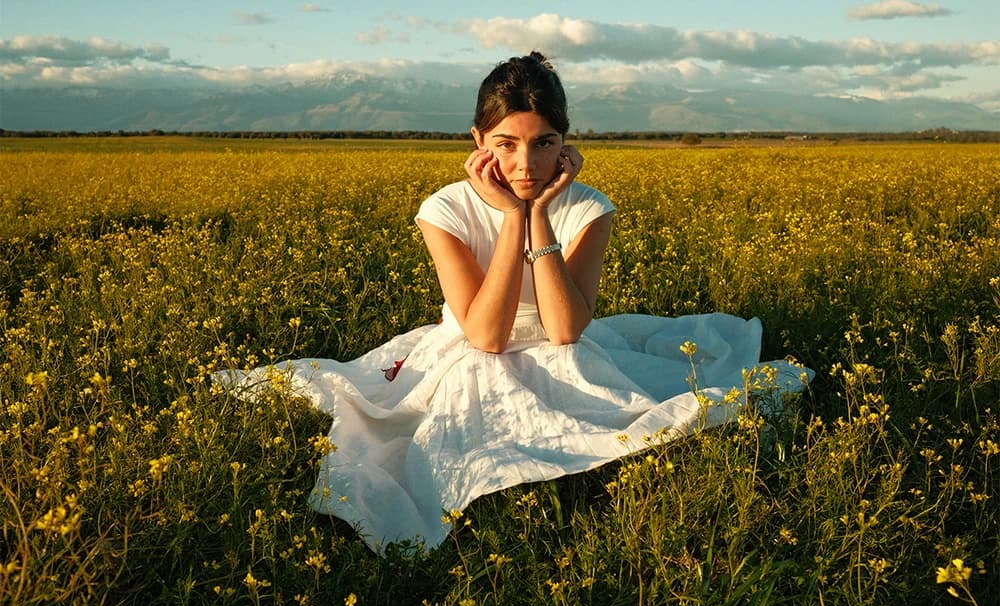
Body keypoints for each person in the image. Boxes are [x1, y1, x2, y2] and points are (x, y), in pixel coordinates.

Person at [217, 52, 811, 553]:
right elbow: (486, 337)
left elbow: (565, 329)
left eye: (543, 143)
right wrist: (510, 217)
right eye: (506, 144)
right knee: (468, 399)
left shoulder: (589, 207)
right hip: (470, 346)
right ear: (478, 142)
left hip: (563, 345)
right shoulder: (444, 210)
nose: (526, 165)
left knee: (599, 386)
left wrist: (540, 214)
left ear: (565, 145)